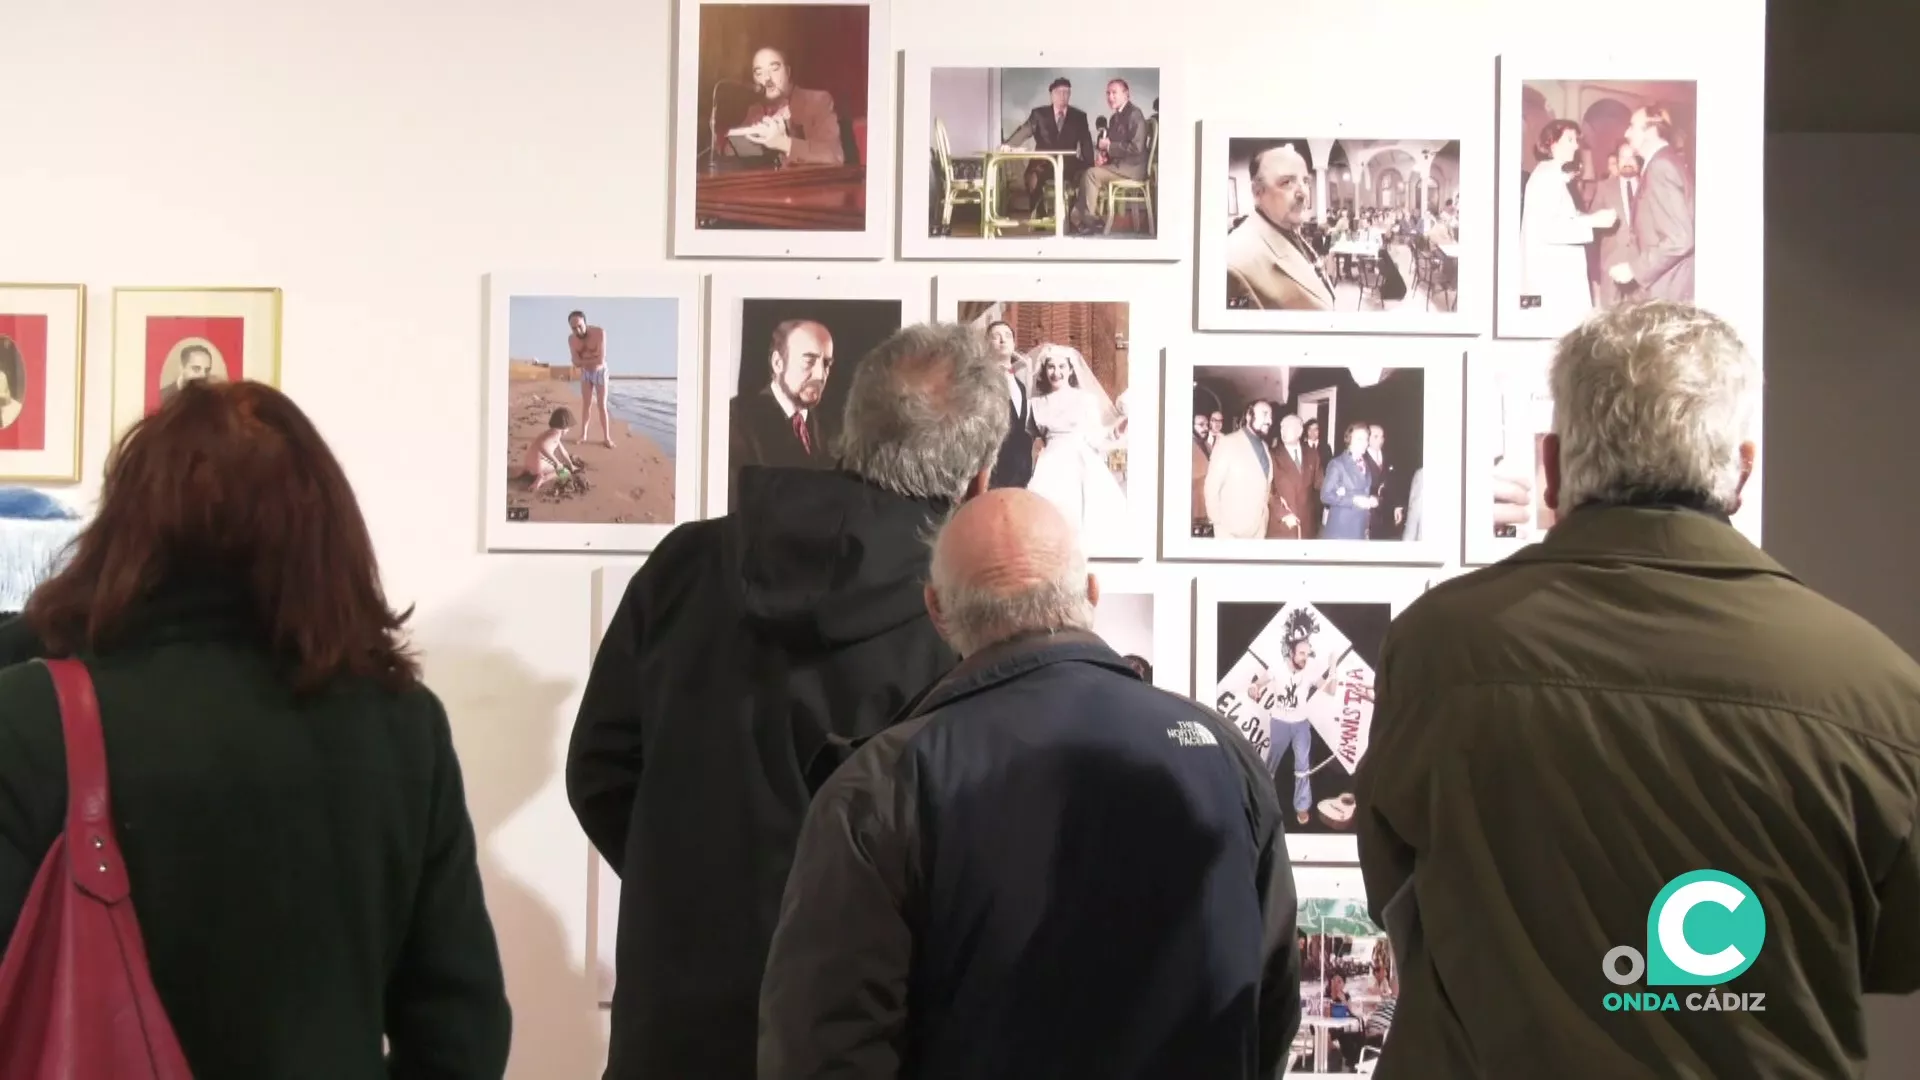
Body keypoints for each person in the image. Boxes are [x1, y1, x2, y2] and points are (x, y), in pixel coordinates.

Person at [1354, 300, 1920, 1078]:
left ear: (1550, 467)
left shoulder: (1437, 648)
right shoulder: (1877, 685)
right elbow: (1895, 952)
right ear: (1743, 470)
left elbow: (1399, 885)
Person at [0, 381, 511, 1078]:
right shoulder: (402, 728)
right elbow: (463, 1031)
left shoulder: (31, 720)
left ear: (127, 528)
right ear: (326, 535)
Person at [567, 322, 1009, 1080]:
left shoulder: (685, 566)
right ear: (977, 480)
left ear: (845, 429)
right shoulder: (961, 629)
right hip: (853, 1043)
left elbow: (601, 772)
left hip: (669, 1033)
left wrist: (689, 879)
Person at [758, 488, 1301, 1078]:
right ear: (1091, 595)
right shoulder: (1226, 755)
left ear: (937, 610)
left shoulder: (884, 786)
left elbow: (825, 1052)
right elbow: (1265, 1006)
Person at [1024, 343, 1128, 539]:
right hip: (1050, 464)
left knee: (1083, 520)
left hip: (1080, 462)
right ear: (1045, 370)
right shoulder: (1035, 404)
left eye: (1062, 367)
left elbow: (1095, 436)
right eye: (1051, 367)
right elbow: (1030, 437)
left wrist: (1115, 430)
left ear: (1071, 370)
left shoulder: (1085, 400)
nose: (1056, 372)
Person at [727, 318, 835, 506]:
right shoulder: (736, 419)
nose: (820, 375)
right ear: (778, 363)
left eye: (826, 364)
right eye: (808, 361)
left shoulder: (831, 428)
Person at [1519, 119, 1616, 320]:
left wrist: (1589, 218)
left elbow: (1561, 216)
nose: (1576, 145)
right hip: (1553, 278)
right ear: (1552, 143)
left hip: (1553, 274)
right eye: (1570, 139)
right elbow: (1548, 229)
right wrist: (1593, 222)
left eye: (1576, 139)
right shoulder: (1548, 177)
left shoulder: (1550, 174)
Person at [1226, 144, 1337, 311]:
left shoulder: (1285, 227)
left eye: (1305, 181)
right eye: (1286, 182)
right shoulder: (1235, 261)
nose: (1303, 193)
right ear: (1257, 191)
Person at [1607, 103, 1695, 302]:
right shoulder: (1664, 161)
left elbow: (1680, 238)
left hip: (1668, 288)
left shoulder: (1660, 166)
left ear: (1651, 131)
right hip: (1665, 283)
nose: (1626, 132)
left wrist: (1634, 268)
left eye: (1632, 126)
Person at [999, 77, 1096, 220]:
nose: (1063, 96)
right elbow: (1025, 131)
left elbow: (1086, 143)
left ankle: (1074, 217)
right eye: (1059, 92)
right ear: (1051, 95)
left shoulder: (1079, 117)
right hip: (1043, 162)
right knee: (1033, 177)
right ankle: (1038, 215)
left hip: (1069, 163)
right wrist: (1008, 145)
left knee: (1083, 176)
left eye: (1066, 92)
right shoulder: (1039, 114)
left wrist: (1090, 165)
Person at [731, 46, 845, 166]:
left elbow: (834, 155)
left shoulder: (817, 102)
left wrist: (783, 143)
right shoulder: (755, 111)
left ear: (788, 72)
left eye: (774, 69)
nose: (767, 78)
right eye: (759, 73)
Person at [1074, 79, 1149, 235]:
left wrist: (1108, 146)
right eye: (1108, 93)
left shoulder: (1135, 114)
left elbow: (1136, 147)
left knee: (1091, 174)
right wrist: (1105, 158)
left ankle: (1088, 221)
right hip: (1120, 166)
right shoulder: (1115, 118)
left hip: (1133, 168)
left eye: (1114, 92)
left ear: (1126, 94)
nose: (1110, 97)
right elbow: (1115, 147)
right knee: (1086, 172)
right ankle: (1080, 219)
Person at [1203, 400, 1275, 540]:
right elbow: (1212, 485)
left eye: (1271, 416)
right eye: (1265, 414)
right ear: (1249, 416)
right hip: (1231, 531)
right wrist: (1218, 522)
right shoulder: (1227, 443)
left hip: (1259, 528)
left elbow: (1265, 485)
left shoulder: (1265, 447)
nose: (1269, 420)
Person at [984, 320, 1035, 489]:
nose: (1002, 340)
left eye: (1007, 336)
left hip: (1022, 471)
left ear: (1014, 343)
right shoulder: (983, 381)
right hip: (994, 471)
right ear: (986, 344)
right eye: (996, 337)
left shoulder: (1021, 384)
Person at [1318, 422, 1377, 540]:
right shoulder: (1337, 464)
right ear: (1349, 440)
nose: (1364, 443)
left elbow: (1365, 491)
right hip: (1342, 528)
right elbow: (1325, 496)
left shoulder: (1366, 464)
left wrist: (1372, 499)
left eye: (1366, 439)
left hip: (1361, 526)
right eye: (1359, 439)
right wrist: (1354, 500)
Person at [567, 310, 614, 447]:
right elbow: (575, 362)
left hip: (600, 372)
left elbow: (600, 360)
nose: (577, 330)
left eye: (580, 326)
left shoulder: (599, 333)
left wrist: (582, 361)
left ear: (585, 323)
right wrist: (587, 361)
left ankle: (606, 438)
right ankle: (583, 435)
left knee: (601, 405)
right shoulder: (572, 339)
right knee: (586, 405)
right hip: (586, 374)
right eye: (574, 328)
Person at [520, 406, 580, 492]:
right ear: (564, 426)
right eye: (568, 428)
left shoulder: (549, 433)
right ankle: (542, 479)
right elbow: (542, 446)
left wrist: (571, 465)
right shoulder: (555, 435)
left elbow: (563, 452)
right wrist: (557, 462)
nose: (569, 430)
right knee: (565, 472)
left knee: (562, 466)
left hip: (528, 464)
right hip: (538, 466)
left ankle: (531, 471)